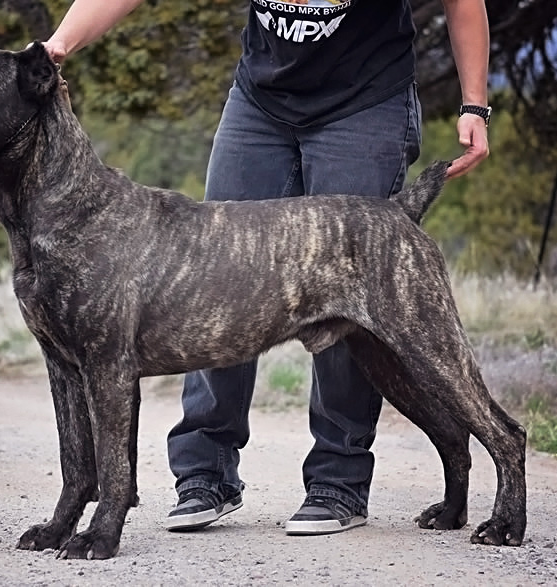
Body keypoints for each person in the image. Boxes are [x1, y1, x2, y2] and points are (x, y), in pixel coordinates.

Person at [42, 0, 491, 536]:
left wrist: (475, 104)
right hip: (263, 99)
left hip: (364, 97)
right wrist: (60, 43)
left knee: (354, 287)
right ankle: (204, 474)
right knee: (208, 275)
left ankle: (337, 483)